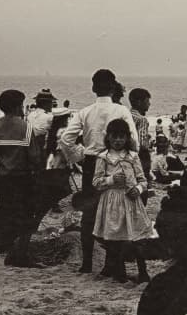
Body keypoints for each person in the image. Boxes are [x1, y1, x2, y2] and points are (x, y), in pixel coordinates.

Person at [59, 69, 139, 274]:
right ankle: (109, 264)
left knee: (90, 213)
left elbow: (66, 140)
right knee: (114, 213)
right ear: (113, 88)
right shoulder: (121, 111)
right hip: (115, 162)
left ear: (94, 88)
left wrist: (81, 154)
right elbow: (134, 143)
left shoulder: (84, 112)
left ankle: (87, 263)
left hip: (91, 163)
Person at [0, 89, 46, 267]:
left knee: (3, 206)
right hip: (21, 176)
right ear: (18, 107)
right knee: (23, 211)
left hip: (1, 176)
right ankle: (16, 246)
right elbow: (34, 157)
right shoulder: (25, 127)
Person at [92, 118, 152, 283]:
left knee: (137, 238)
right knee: (114, 239)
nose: (118, 140)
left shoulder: (132, 156)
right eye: (114, 136)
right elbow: (96, 182)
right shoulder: (103, 157)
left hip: (131, 202)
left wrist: (138, 189)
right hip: (111, 202)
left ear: (127, 138)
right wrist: (111, 180)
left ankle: (143, 270)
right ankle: (120, 273)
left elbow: (143, 180)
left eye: (122, 137)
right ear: (108, 137)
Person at [128, 88, 153, 181]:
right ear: (139, 102)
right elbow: (142, 143)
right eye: (147, 101)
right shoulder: (142, 119)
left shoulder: (126, 114)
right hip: (139, 156)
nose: (149, 104)